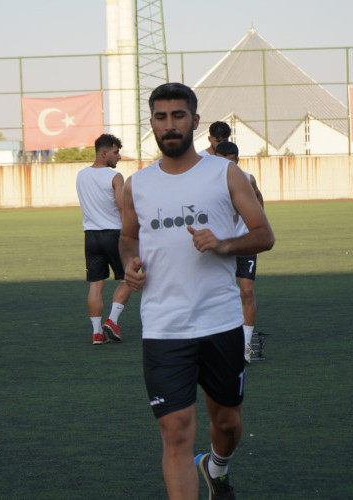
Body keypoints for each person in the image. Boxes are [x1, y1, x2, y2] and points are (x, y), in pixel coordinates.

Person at [119, 83, 275, 499]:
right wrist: (130, 263)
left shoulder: (225, 174)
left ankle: (216, 466)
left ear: (195, 121)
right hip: (163, 327)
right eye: (161, 117)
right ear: (152, 123)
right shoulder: (137, 185)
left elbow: (264, 234)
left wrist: (223, 244)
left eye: (178, 116)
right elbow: (128, 238)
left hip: (220, 322)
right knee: (175, 432)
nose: (169, 125)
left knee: (227, 423)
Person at [76, 133, 131, 345]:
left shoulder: (81, 175)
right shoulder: (115, 177)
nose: (119, 157)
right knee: (129, 278)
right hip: (114, 234)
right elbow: (122, 207)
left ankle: (97, 333)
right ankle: (112, 320)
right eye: (116, 152)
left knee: (96, 286)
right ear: (104, 153)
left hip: (91, 236)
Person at [215, 141, 264, 363]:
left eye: (231, 161)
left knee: (246, 291)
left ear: (237, 160)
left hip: (245, 244)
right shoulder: (209, 183)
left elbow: (258, 197)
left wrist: (259, 222)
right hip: (221, 245)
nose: (227, 166)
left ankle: (245, 345)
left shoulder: (247, 179)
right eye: (222, 161)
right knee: (217, 292)